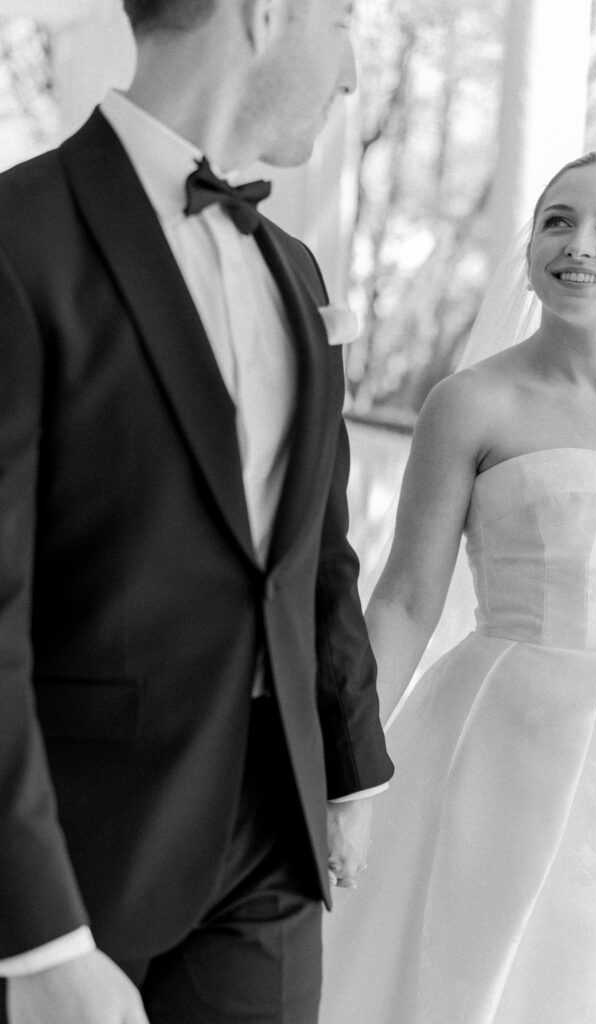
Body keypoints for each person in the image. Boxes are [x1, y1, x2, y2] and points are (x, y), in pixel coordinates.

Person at [0, 2, 393, 1023]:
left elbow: (316, 549)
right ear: (267, 15)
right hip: (77, 854)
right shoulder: (16, 242)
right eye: (343, 20)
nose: (352, 72)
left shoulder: (295, 269)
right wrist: (35, 936)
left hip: (271, 839)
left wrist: (346, 765)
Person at [320, 152, 596, 1024]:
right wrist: (343, 770)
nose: (578, 245)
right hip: (501, 741)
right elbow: (406, 597)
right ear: (528, 251)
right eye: (556, 221)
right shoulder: (471, 403)